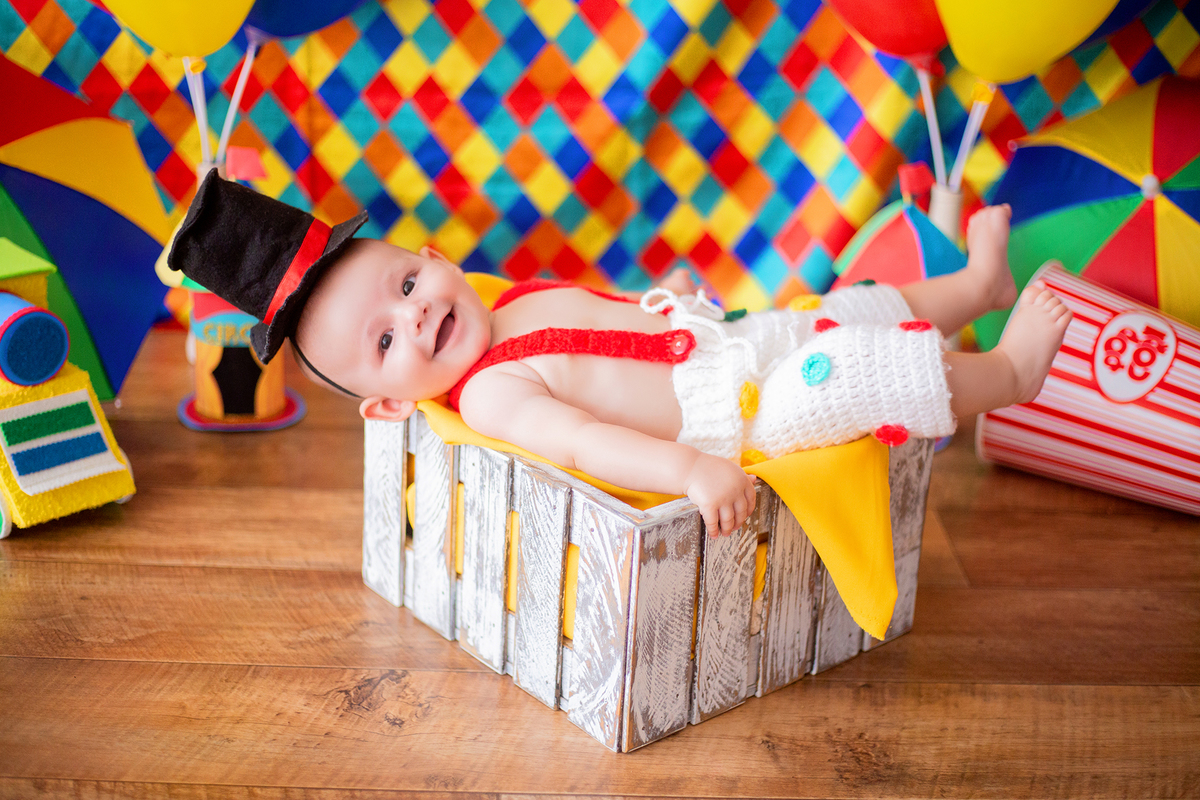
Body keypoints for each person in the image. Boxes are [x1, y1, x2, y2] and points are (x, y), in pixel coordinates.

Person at [170, 171, 1071, 536]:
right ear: (392, 405)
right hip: (739, 422)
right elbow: (587, 443)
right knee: (857, 372)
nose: (416, 320)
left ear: (435, 259)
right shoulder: (489, 396)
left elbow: (604, 321)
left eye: (406, 287)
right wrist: (689, 470)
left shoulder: (506, 299)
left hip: (731, 341)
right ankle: (1009, 376)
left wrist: (668, 304)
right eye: (384, 343)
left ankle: (973, 291)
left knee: (851, 308)